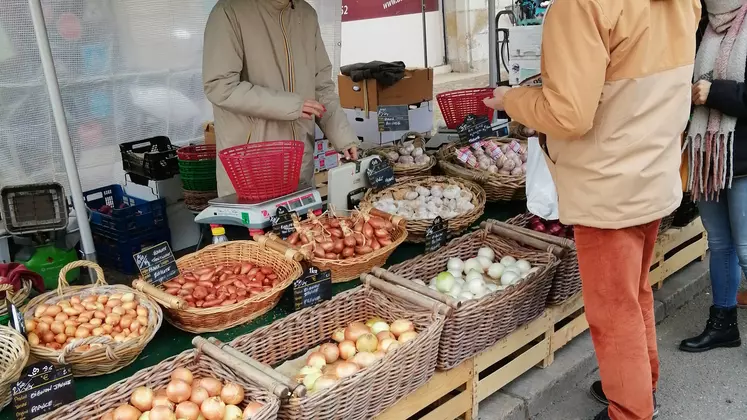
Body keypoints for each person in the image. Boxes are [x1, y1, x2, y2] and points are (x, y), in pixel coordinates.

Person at [482, 0, 701, 419]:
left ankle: (631, 409)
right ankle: (641, 386)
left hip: (607, 186)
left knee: (612, 310)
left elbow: (568, 114)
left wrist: (513, 99)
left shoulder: (581, 5)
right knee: (633, 295)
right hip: (653, 171)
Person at [202, 0, 359, 198]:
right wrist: (292, 105)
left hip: (300, 162)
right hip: (251, 166)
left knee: (305, 226)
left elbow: (321, 88)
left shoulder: (307, 14)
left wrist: (344, 139)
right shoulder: (229, 10)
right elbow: (220, 86)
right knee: (258, 229)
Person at [680, 0, 747, 352]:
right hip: (707, 155)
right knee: (719, 245)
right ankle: (723, 325)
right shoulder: (699, 21)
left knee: (746, 249)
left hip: (743, 157)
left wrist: (714, 92)